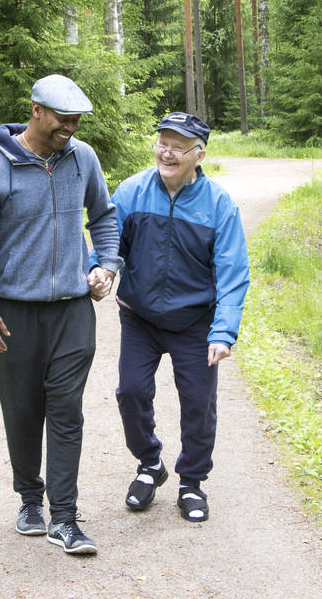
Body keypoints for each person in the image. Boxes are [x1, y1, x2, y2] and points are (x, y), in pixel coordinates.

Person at [0, 74, 120, 554]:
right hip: (14, 313)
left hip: (73, 311)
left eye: (75, 120)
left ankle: (65, 517)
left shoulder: (82, 158)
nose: (69, 128)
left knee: (66, 409)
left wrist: (107, 264)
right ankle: (30, 498)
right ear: (35, 111)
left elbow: (105, 216)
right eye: (61, 118)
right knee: (23, 410)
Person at [97, 112, 250, 522]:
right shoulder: (132, 191)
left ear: (198, 154)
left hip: (195, 323)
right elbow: (109, 240)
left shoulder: (218, 205)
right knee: (130, 392)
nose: (167, 152)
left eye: (178, 146)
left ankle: (191, 482)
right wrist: (102, 268)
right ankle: (150, 465)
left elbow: (234, 273)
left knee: (198, 403)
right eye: (162, 142)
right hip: (140, 318)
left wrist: (223, 332)